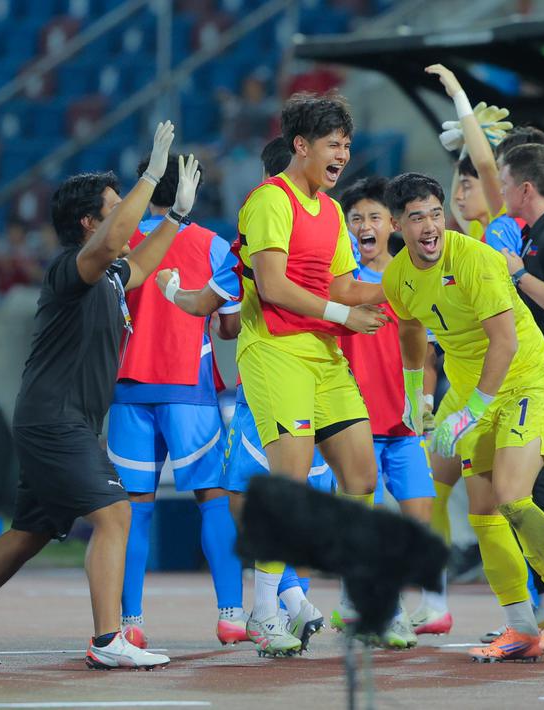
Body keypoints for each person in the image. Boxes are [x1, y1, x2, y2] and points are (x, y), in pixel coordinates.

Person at [0, 123, 195, 670]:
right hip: (56, 421)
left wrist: (176, 218)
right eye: (116, 209)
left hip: (59, 419)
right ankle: (106, 640)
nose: (128, 217)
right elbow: (117, 244)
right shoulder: (72, 269)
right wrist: (149, 176)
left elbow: (141, 265)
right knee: (116, 514)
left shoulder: (111, 273)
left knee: (30, 531)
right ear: (89, 223)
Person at [432, 64, 544, 648]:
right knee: (487, 498)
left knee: (528, 495)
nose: (465, 193)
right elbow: (481, 165)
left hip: (533, 376)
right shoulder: (466, 247)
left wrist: (458, 101)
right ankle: (525, 613)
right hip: (489, 380)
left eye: (474, 187)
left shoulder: (513, 236)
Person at [381, 171, 544, 663]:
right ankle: (519, 628)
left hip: (527, 382)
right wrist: (416, 396)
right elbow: (411, 332)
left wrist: (469, 411)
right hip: (477, 394)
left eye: (435, 213)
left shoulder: (475, 258)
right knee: (485, 514)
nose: (429, 226)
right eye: (416, 218)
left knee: (514, 497)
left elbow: (505, 342)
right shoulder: (396, 276)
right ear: (397, 224)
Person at [157, 136, 335, 652]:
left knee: (248, 498)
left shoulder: (254, 241)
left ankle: (265, 609)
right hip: (324, 380)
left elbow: (223, 322)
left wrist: (172, 291)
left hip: (271, 382)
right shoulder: (329, 229)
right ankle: (295, 600)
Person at [232, 92, 390, 658]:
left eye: (347, 145)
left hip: (324, 356)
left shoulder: (329, 211)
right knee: (292, 484)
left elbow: (347, 283)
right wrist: (345, 315)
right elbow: (272, 285)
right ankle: (264, 610)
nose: (342, 155)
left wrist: (407, 287)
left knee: (362, 477)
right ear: (300, 147)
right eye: (332, 145)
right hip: (275, 351)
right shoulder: (270, 201)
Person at [106, 156, 245, 649]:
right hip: (190, 389)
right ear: (193, 189)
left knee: (134, 511)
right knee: (212, 501)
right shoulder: (212, 244)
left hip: (127, 388)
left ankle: (130, 623)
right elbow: (230, 324)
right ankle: (230, 615)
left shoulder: (118, 241)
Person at [334, 175, 446, 647]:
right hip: (354, 427)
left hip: (403, 426)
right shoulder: (339, 284)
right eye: (355, 218)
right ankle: (382, 608)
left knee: (418, 521)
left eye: (373, 217)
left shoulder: (413, 277)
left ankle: (432, 604)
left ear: (391, 225)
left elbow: (429, 356)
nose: (364, 225)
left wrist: (424, 402)